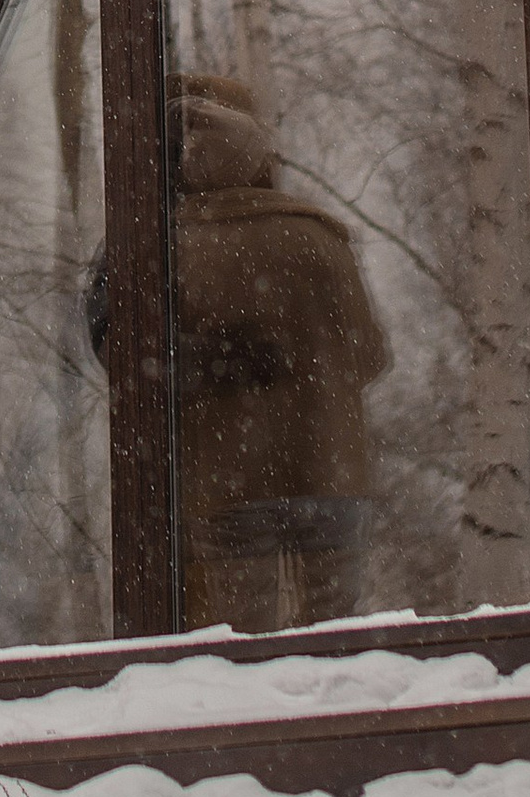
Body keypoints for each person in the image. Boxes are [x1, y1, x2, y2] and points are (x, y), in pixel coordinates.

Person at [165, 71, 390, 633]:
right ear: (260, 159)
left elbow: (157, 363)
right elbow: (371, 355)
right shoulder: (322, 237)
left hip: (230, 479)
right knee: (336, 635)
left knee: (243, 645)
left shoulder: (173, 244)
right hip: (330, 469)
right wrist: (318, 389)